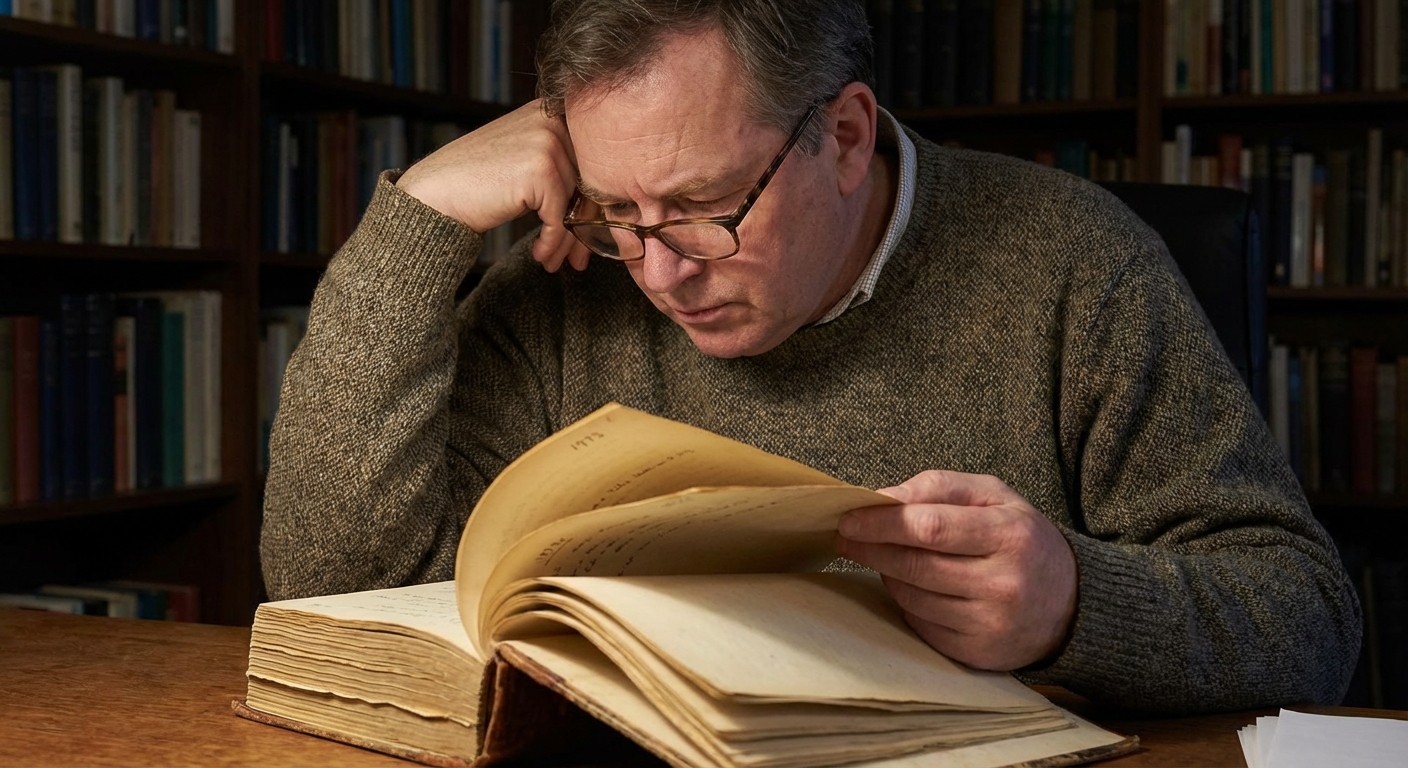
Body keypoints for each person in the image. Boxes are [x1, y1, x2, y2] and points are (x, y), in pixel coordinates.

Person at [261, 0, 1360, 713]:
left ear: (841, 134)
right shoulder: (563, 282)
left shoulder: (1074, 261)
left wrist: (1075, 603)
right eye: (613, 210)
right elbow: (325, 589)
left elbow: (1306, 621)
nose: (656, 271)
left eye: (698, 208)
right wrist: (422, 222)